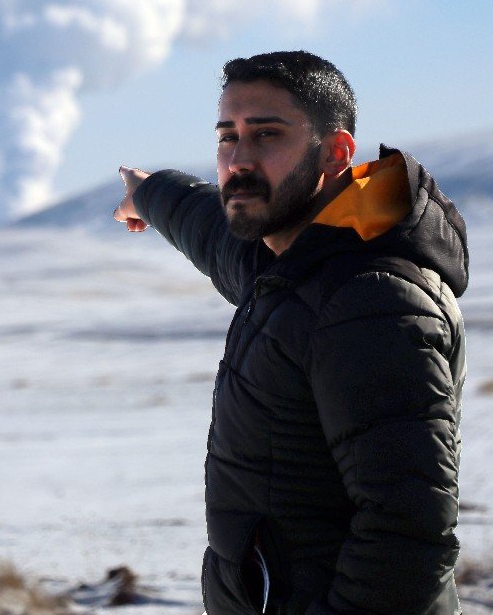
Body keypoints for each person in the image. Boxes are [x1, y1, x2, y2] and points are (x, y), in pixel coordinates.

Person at [114, 50, 467, 615]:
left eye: (267, 135)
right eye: (227, 137)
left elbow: (407, 532)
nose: (240, 160)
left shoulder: (368, 302)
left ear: (336, 151)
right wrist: (152, 193)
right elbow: (214, 234)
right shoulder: (297, 265)